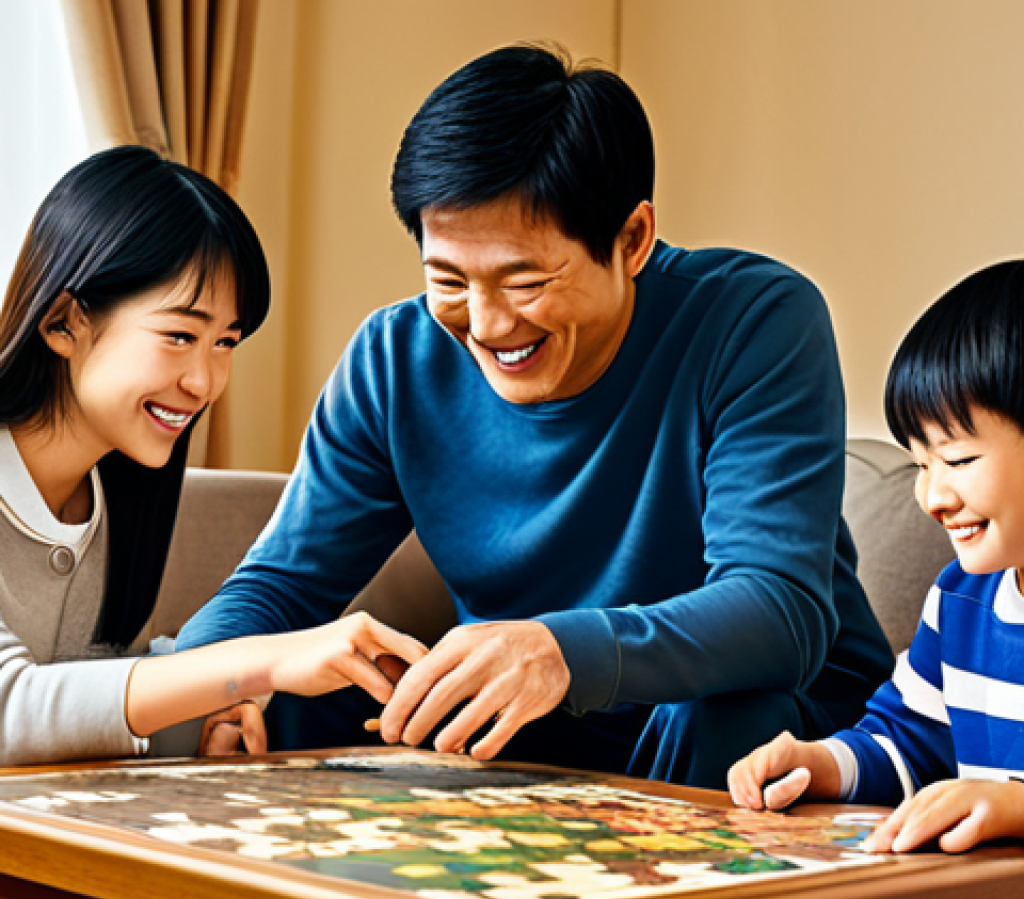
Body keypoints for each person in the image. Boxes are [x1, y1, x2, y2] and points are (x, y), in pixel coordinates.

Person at [177, 43, 893, 786]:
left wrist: (560, 652)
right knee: (282, 699)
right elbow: (278, 588)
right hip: (525, 730)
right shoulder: (395, 359)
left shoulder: (754, 320)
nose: (487, 325)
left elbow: (779, 611)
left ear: (632, 240)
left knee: (724, 718)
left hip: (766, 728)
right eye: (448, 280)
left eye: (524, 281)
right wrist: (215, 686)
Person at [0, 145, 426, 899]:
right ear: (65, 321)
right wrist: (256, 663)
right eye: (180, 335)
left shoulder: (113, 497)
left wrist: (202, 721)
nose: (206, 380)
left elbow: (89, 706)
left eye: (225, 342)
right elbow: (14, 712)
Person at [729, 260, 1024, 855]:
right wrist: (819, 764)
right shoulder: (960, 599)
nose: (933, 497)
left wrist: (1014, 805)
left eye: (958, 460)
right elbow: (908, 743)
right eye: (920, 464)